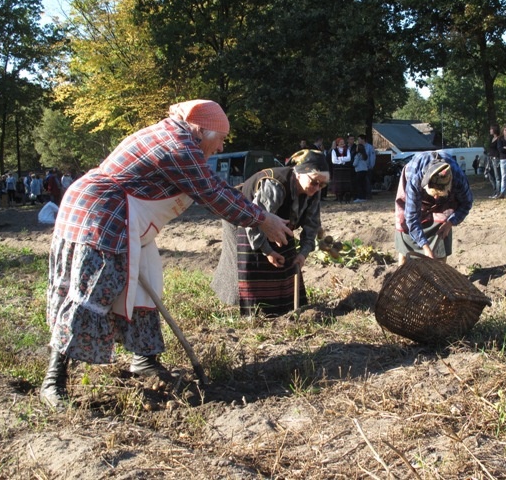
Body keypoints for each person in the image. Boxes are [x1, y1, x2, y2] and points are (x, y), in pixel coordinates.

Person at [39, 99, 294, 409]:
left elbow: (214, 186)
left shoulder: (181, 140)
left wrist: (257, 214)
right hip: (102, 214)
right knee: (92, 289)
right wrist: (262, 219)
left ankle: (144, 359)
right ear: (201, 130)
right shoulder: (177, 144)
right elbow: (211, 192)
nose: (223, 145)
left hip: (130, 220)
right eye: (221, 137)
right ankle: (54, 380)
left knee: (148, 285)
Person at [212, 149, 329, 316]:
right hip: (245, 218)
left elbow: (312, 226)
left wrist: (303, 254)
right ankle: (253, 313)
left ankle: (285, 310)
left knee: (287, 260)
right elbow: (255, 221)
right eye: (314, 182)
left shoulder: (314, 191)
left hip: (278, 219)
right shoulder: (275, 185)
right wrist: (268, 251)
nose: (317, 188)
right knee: (250, 263)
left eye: (322, 185)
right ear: (299, 173)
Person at [394, 151, 473, 266]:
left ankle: (439, 267)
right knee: (404, 223)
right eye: (433, 194)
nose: (435, 197)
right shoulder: (415, 179)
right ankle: (403, 265)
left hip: (447, 197)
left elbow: (467, 203)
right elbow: (411, 218)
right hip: (414, 176)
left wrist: (450, 222)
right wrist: (426, 247)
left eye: (439, 194)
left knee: (442, 224)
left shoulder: (458, 178)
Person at [331, 137, 352, 202]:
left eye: (343, 142)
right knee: (339, 184)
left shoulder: (347, 150)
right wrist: (343, 160)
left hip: (345, 169)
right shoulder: (334, 151)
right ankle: (339, 197)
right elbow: (334, 160)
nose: (342, 143)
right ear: (338, 143)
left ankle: (346, 196)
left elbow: (349, 158)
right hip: (338, 170)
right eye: (341, 142)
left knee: (346, 183)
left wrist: (340, 159)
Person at [358, 134, 376, 199]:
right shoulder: (359, 147)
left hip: (368, 167)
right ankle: (363, 194)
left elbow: (372, 157)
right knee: (363, 182)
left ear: (363, 139)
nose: (358, 141)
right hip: (361, 168)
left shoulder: (369, 147)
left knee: (367, 181)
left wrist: (371, 166)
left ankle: (368, 195)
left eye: (359, 139)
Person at [488, 124, 502, 198]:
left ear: (494, 130)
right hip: (490, 158)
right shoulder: (492, 139)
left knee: (497, 176)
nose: (490, 130)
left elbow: (499, 149)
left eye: (491, 129)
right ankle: (495, 190)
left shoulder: (499, 139)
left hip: (496, 159)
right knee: (490, 175)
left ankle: (498, 192)